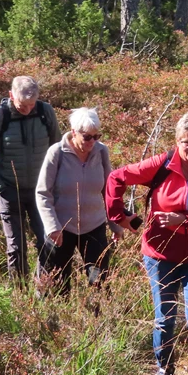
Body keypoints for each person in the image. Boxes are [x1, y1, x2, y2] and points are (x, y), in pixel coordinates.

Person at [106, 111, 188, 375]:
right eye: (187, 142)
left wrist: (184, 220)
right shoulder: (161, 164)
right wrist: (122, 217)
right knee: (165, 318)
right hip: (160, 255)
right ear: (177, 140)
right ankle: (165, 372)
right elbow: (116, 178)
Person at [0, 76, 62, 282]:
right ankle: (19, 292)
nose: (27, 109)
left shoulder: (45, 112)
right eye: (22, 105)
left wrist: (55, 184)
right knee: (16, 247)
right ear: (10, 95)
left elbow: (59, 150)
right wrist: (0, 187)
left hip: (41, 193)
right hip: (10, 191)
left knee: (47, 241)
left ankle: (41, 288)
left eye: (31, 105)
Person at [36, 108, 124, 294]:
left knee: (99, 282)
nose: (92, 141)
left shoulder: (101, 151)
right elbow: (43, 193)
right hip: (61, 228)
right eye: (87, 137)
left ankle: (98, 318)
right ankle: (56, 319)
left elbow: (108, 191)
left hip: (94, 226)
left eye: (96, 136)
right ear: (74, 132)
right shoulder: (56, 153)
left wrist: (115, 224)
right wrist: (52, 226)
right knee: (57, 286)